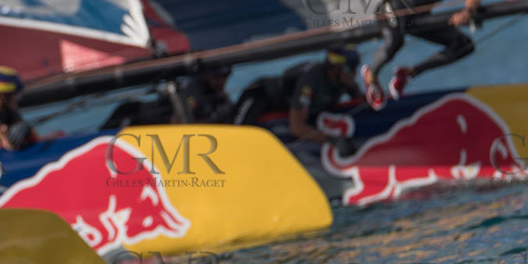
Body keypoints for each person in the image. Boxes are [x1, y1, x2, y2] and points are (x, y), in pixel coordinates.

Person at [233, 48, 360, 154]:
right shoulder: (312, 78)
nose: (354, 74)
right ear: (334, 69)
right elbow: (296, 127)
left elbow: (363, 102)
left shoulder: (345, 80)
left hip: (285, 106)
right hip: (259, 95)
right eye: (350, 69)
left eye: (356, 68)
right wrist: (333, 140)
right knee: (238, 136)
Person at [102, 65, 234, 128]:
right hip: (132, 115)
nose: (220, 81)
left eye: (224, 77)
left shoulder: (222, 100)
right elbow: (177, 122)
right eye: (216, 77)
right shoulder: (191, 89)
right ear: (206, 74)